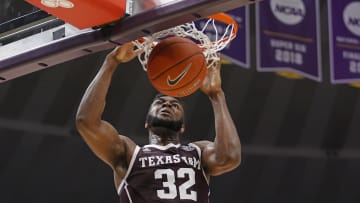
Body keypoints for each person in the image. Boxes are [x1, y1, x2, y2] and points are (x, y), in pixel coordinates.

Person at [75, 42, 241, 203]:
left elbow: (229, 157)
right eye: (160, 103)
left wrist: (216, 95)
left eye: (175, 105)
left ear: (182, 126)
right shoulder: (129, 154)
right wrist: (111, 61)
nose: (167, 104)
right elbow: (86, 122)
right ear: (146, 122)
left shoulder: (197, 152)